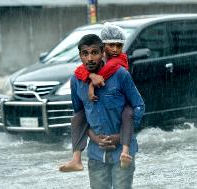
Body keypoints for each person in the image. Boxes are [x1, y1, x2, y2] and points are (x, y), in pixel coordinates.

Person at [71, 34, 145, 188]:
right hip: (96, 154)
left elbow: (138, 106)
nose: (90, 58)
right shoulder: (76, 81)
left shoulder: (120, 75)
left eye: (94, 53)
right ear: (80, 56)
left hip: (123, 153)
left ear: (103, 52)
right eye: (85, 54)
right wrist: (94, 137)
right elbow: (80, 114)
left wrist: (121, 137)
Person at [59, 23, 134, 172]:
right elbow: (80, 70)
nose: (115, 49)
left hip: (121, 104)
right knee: (77, 118)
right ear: (103, 46)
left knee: (128, 113)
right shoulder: (96, 61)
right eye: (111, 45)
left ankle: (125, 152)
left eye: (119, 45)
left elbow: (107, 72)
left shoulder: (120, 60)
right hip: (98, 117)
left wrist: (92, 84)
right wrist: (91, 75)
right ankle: (76, 159)